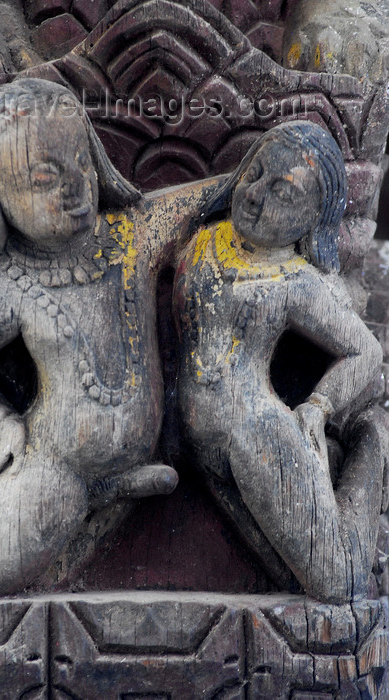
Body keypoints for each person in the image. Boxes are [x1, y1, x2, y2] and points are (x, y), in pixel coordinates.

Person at [0, 78, 221, 600]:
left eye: (83, 164)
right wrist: (1, 424)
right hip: (57, 468)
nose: (77, 189)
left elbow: (217, 193)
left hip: (129, 456)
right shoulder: (8, 285)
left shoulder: (134, 233)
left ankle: (108, 488)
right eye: (45, 178)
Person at [174, 121, 386, 603]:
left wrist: (318, 405)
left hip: (256, 437)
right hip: (201, 445)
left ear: (313, 220)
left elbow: (365, 350)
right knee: (285, 578)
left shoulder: (296, 280)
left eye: (284, 193)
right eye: (255, 173)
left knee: (336, 584)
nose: (254, 196)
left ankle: (369, 450)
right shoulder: (203, 243)